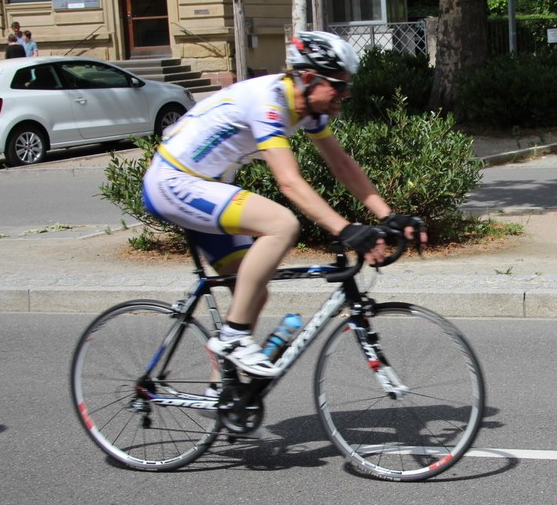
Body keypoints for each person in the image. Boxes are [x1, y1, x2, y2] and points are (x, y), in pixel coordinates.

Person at [142, 30, 425, 378]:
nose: (344, 95)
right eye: (337, 86)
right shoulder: (269, 101)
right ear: (308, 78)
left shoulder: (308, 108)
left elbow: (342, 165)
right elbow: (289, 182)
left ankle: (224, 395)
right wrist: (346, 229)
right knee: (282, 224)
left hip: (206, 185)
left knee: (253, 294)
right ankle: (232, 339)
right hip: (173, 181)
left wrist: (389, 215)